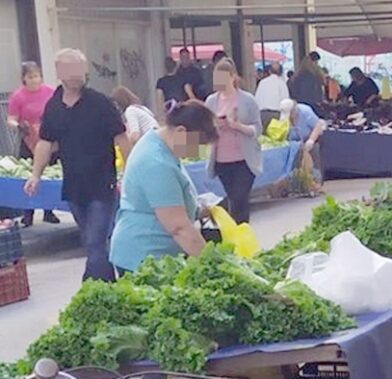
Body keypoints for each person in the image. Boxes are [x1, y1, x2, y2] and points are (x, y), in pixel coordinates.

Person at [25, 48, 130, 282]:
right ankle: (111, 288)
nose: (76, 75)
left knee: (95, 241)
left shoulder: (100, 103)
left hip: (103, 184)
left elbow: (122, 138)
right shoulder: (53, 106)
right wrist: (35, 175)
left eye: (79, 69)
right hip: (73, 187)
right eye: (70, 69)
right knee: (93, 243)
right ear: (59, 72)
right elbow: (45, 142)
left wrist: (130, 173)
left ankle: (93, 288)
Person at [110, 101, 218, 275]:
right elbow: (179, 227)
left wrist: (198, 209)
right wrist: (212, 265)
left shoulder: (160, 143)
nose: (198, 153)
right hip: (143, 257)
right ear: (181, 132)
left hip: (158, 254)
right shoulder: (156, 163)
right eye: (198, 145)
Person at [205, 58, 263, 225]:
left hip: (244, 160)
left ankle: (241, 231)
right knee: (233, 197)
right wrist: (216, 125)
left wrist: (237, 126)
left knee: (240, 197)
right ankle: (238, 232)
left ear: (232, 77)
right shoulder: (211, 101)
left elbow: (257, 129)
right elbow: (205, 129)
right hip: (222, 160)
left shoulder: (247, 100)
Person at [7, 61, 60, 227]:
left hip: (49, 139)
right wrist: (18, 126)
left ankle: (48, 211)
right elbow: (11, 119)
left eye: (37, 76)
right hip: (29, 139)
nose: (35, 80)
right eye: (31, 77)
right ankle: (28, 213)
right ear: (24, 78)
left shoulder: (51, 92)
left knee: (48, 173)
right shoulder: (18, 96)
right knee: (29, 173)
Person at [279, 98, 326, 185]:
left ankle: (316, 183)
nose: (290, 117)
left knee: (314, 158)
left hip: (310, 138)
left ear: (295, 110)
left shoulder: (305, 111)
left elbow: (318, 125)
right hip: (295, 142)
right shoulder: (284, 118)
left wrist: (311, 140)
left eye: (291, 114)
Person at [255, 62, 290, 130]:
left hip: (262, 114)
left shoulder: (262, 82)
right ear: (281, 72)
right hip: (276, 115)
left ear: (269, 71)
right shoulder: (281, 83)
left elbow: (256, 100)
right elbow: (285, 103)